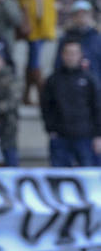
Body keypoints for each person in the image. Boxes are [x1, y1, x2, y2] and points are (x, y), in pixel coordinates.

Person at [13, 0, 63, 105]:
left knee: (34, 56)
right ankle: (42, 94)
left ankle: (28, 94)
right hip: (28, 17)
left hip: (46, 17)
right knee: (34, 54)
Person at [40, 38, 101, 167]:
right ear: (62, 55)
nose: (71, 57)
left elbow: (97, 107)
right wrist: (51, 129)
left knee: (87, 176)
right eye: (68, 53)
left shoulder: (90, 79)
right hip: (60, 136)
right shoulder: (53, 80)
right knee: (59, 176)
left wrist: (98, 135)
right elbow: (46, 107)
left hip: (85, 136)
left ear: (80, 55)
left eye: (74, 53)